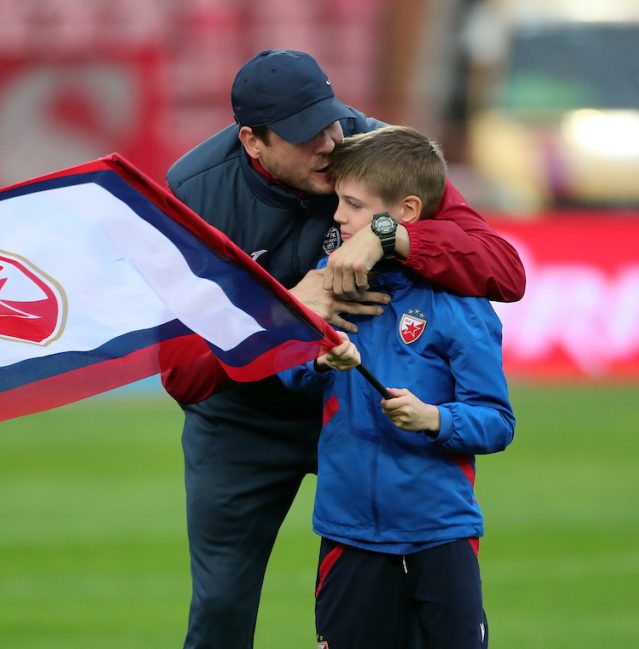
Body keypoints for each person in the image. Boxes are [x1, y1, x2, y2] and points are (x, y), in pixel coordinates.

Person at [163, 49, 524, 649]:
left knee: (395, 610)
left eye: (330, 118)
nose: (331, 141)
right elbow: (182, 373)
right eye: (307, 135)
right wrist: (281, 312)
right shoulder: (193, 193)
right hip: (245, 423)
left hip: (365, 413)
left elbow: (504, 271)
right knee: (222, 606)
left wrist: (394, 235)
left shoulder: (375, 150)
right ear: (254, 142)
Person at [278, 125, 515, 648]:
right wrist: (320, 360)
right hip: (348, 532)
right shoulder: (329, 281)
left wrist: (435, 419)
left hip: (440, 532)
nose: (338, 216)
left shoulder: (458, 304)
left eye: (353, 205)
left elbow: (498, 422)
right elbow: (287, 370)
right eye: (338, 200)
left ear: (404, 213)